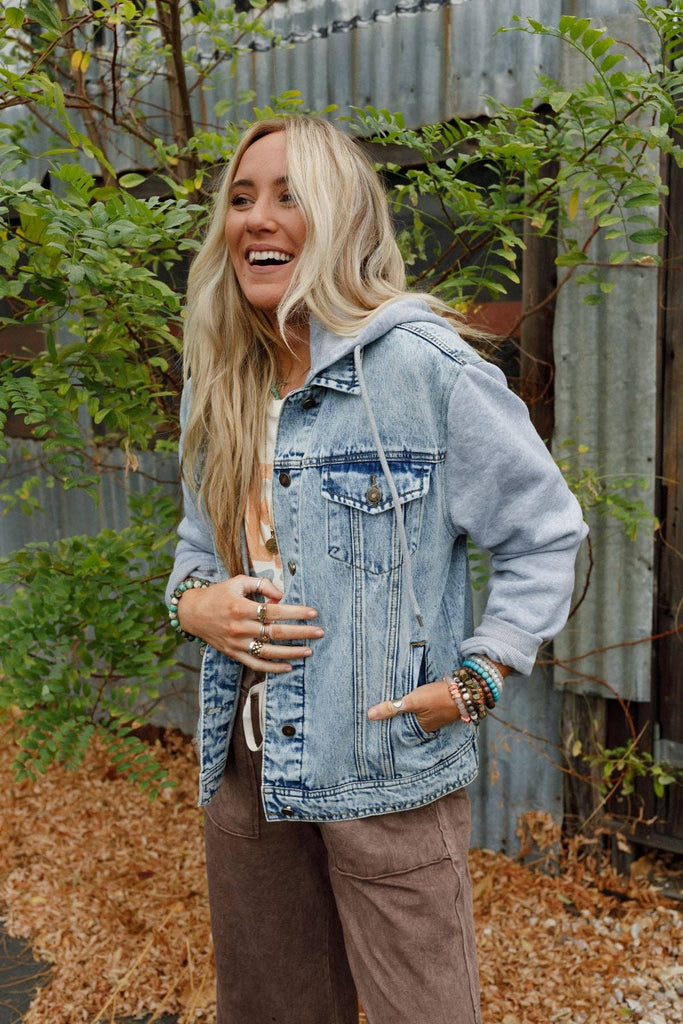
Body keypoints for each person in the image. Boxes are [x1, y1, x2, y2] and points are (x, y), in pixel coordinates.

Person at [166, 116, 587, 1024]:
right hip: (248, 763)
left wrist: (477, 678)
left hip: (383, 761)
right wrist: (195, 604)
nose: (256, 218)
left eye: (289, 196)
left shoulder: (423, 369)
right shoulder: (220, 377)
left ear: (344, 219)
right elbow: (197, 546)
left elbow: (546, 533)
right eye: (241, 198)